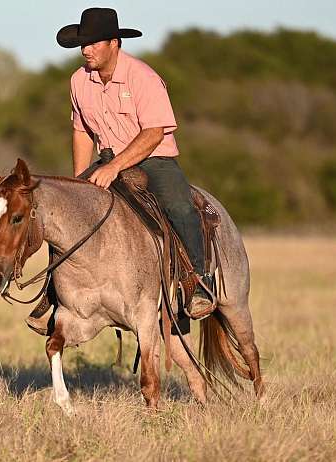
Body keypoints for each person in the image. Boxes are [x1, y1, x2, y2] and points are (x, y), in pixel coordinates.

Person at [26, 7, 211, 334]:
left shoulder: (143, 78)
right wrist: (78, 183)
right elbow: (81, 130)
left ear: (114, 42)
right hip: (107, 158)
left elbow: (154, 132)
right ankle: (54, 292)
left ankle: (197, 281)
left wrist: (113, 167)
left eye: (93, 43)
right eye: (83, 44)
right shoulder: (78, 80)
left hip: (154, 158)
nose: (86, 50)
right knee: (64, 212)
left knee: (180, 206)